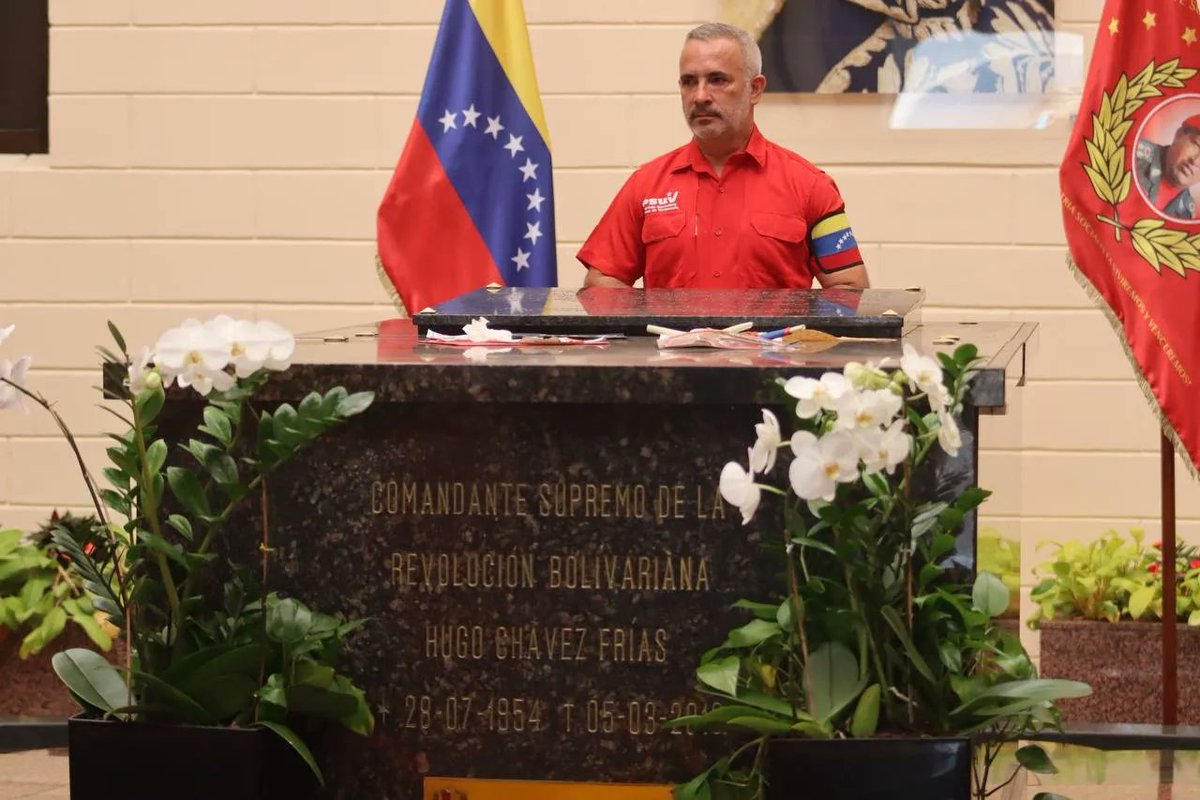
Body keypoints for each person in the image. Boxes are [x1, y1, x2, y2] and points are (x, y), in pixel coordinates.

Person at [576, 22, 869, 290]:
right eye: (689, 82)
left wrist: (801, 342)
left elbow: (850, 289)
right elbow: (601, 280)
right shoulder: (646, 184)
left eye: (717, 80)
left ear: (755, 89)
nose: (700, 96)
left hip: (773, 348)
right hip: (671, 348)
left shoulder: (809, 185)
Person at [1135, 115, 1200, 220]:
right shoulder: (1133, 156)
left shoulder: (1186, 215)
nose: (1196, 161)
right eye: (1196, 144)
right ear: (1179, 135)